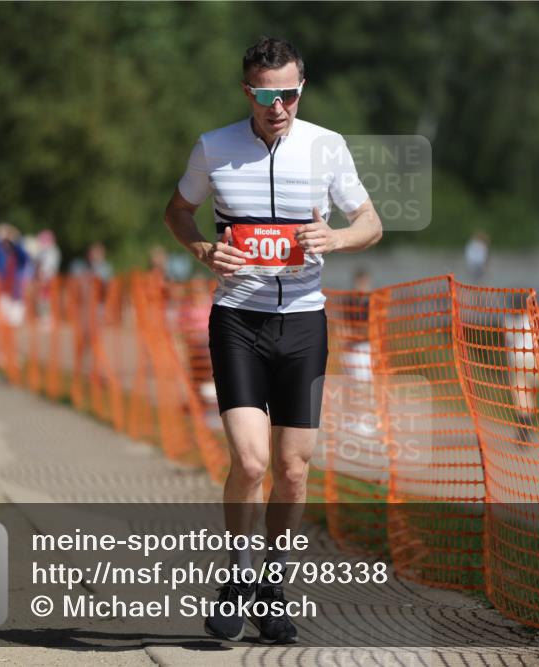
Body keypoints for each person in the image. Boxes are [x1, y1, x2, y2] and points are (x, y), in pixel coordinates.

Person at [163, 36, 382, 644]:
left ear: (300, 90)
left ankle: (273, 584)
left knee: (291, 468)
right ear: (247, 93)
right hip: (237, 319)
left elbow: (371, 222)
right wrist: (204, 248)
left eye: (288, 93)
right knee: (252, 461)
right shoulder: (215, 147)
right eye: (265, 94)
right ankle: (235, 581)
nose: (277, 105)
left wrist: (335, 239)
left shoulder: (327, 147)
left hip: (304, 323)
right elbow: (177, 212)